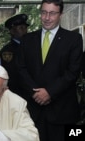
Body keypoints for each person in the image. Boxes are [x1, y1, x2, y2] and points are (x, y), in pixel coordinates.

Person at [16, 0, 83, 141]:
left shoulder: (74, 39)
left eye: (52, 13)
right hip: (32, 112)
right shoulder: (27, 39)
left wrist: (49, 92)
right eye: (44, 12)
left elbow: (73, 72)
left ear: (61, 14)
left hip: (62, 112)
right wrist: (36, 93)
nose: (47, 18)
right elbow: (20, 69)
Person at [0, 13, 29, 95]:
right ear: (12, 31)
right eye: (21, 28)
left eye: (25, 27)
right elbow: (10, 73)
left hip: (32, 92)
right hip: (15, 92)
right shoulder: (7, 51)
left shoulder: (32, 47)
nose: (24, 30)